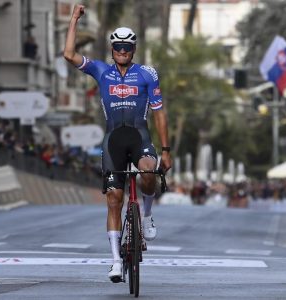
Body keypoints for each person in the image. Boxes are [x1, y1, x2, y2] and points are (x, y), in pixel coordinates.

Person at [64, 4, 172, 282]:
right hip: (113, 138)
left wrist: (167, 150)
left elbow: (159, 113)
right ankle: (114, 261)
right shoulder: (101, 71)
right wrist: (74, 19)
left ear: (133, 49)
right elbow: (68, 54)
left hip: (139, 136)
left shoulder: (148, 73)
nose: (122, 52)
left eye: (127, 48)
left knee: (149, 172)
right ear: (112, 50)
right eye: (118, 48)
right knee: (114, 200)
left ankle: (146, 215)